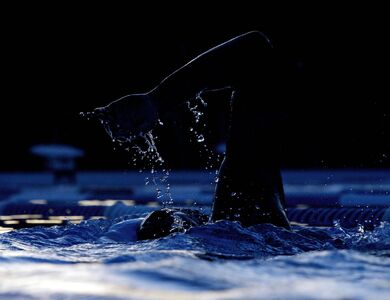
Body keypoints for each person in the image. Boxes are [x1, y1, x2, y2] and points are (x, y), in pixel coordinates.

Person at [94, 31, 291, 240]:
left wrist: (156, 101)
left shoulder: (244, 202)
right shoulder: (254, 206)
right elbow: (254, 51)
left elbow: (254, 50)